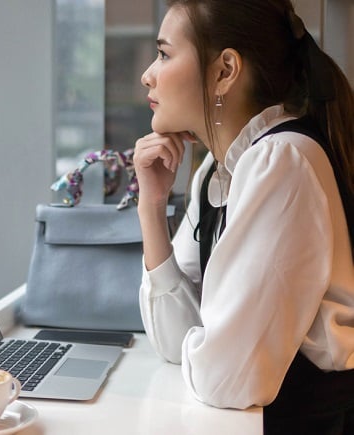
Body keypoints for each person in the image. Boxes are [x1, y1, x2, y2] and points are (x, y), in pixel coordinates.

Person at [133, 1, 354, 434]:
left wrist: (211, 341)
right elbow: (176, 342)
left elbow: (229, 379)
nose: (148, 74)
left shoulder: (282, 160)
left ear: (225, 70)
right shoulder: (218, 171)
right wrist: (152, 206)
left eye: (164, 54)